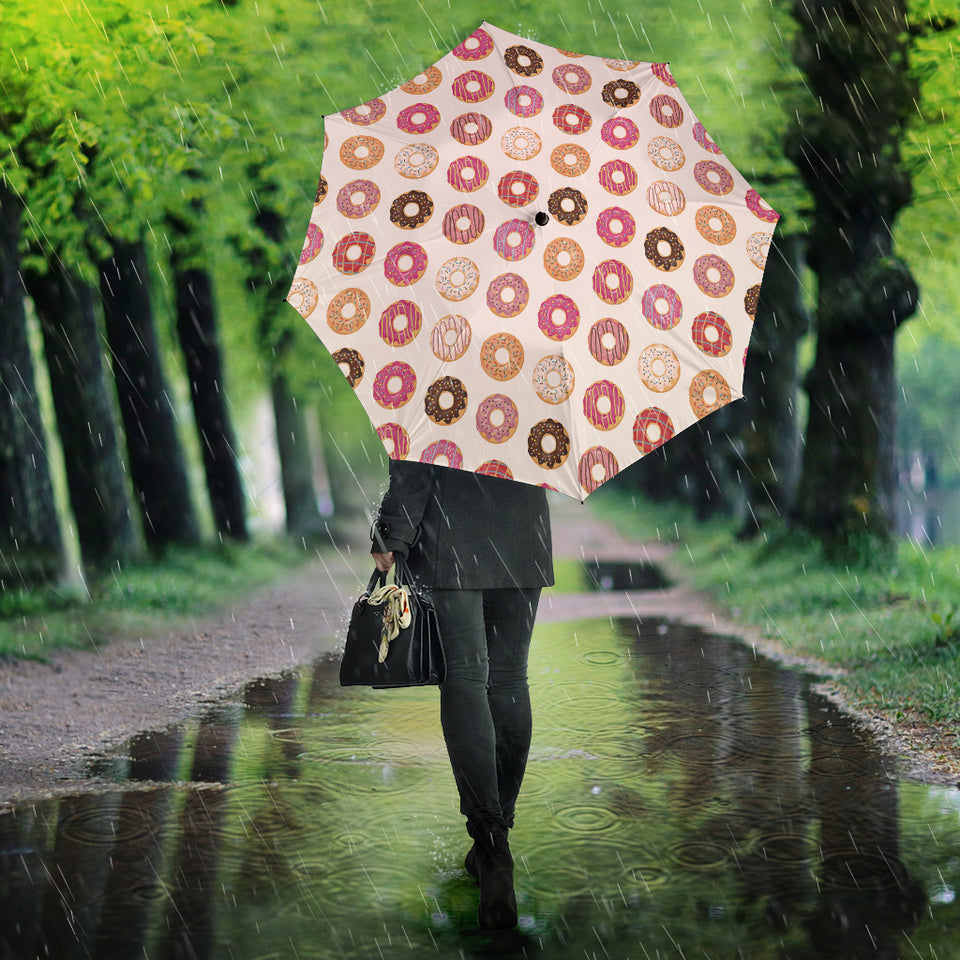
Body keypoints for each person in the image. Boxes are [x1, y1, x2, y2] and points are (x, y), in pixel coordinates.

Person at [370, 457, 553, 930]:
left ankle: (490, 840)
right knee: (510, 678)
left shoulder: (439, 379)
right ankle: (497, 837)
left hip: (452, 530)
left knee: (466, 678)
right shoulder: (548, 379)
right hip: (522, 527)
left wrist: (394, 528)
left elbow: (417, 448)